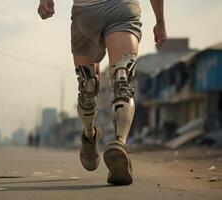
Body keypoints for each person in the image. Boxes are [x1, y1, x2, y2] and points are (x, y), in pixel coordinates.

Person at [37, 0, 167, 185]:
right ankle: (111, 140)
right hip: (118, 9)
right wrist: (160, 21)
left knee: (92, 86)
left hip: (93, 11)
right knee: (120, 80)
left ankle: (100, 139)